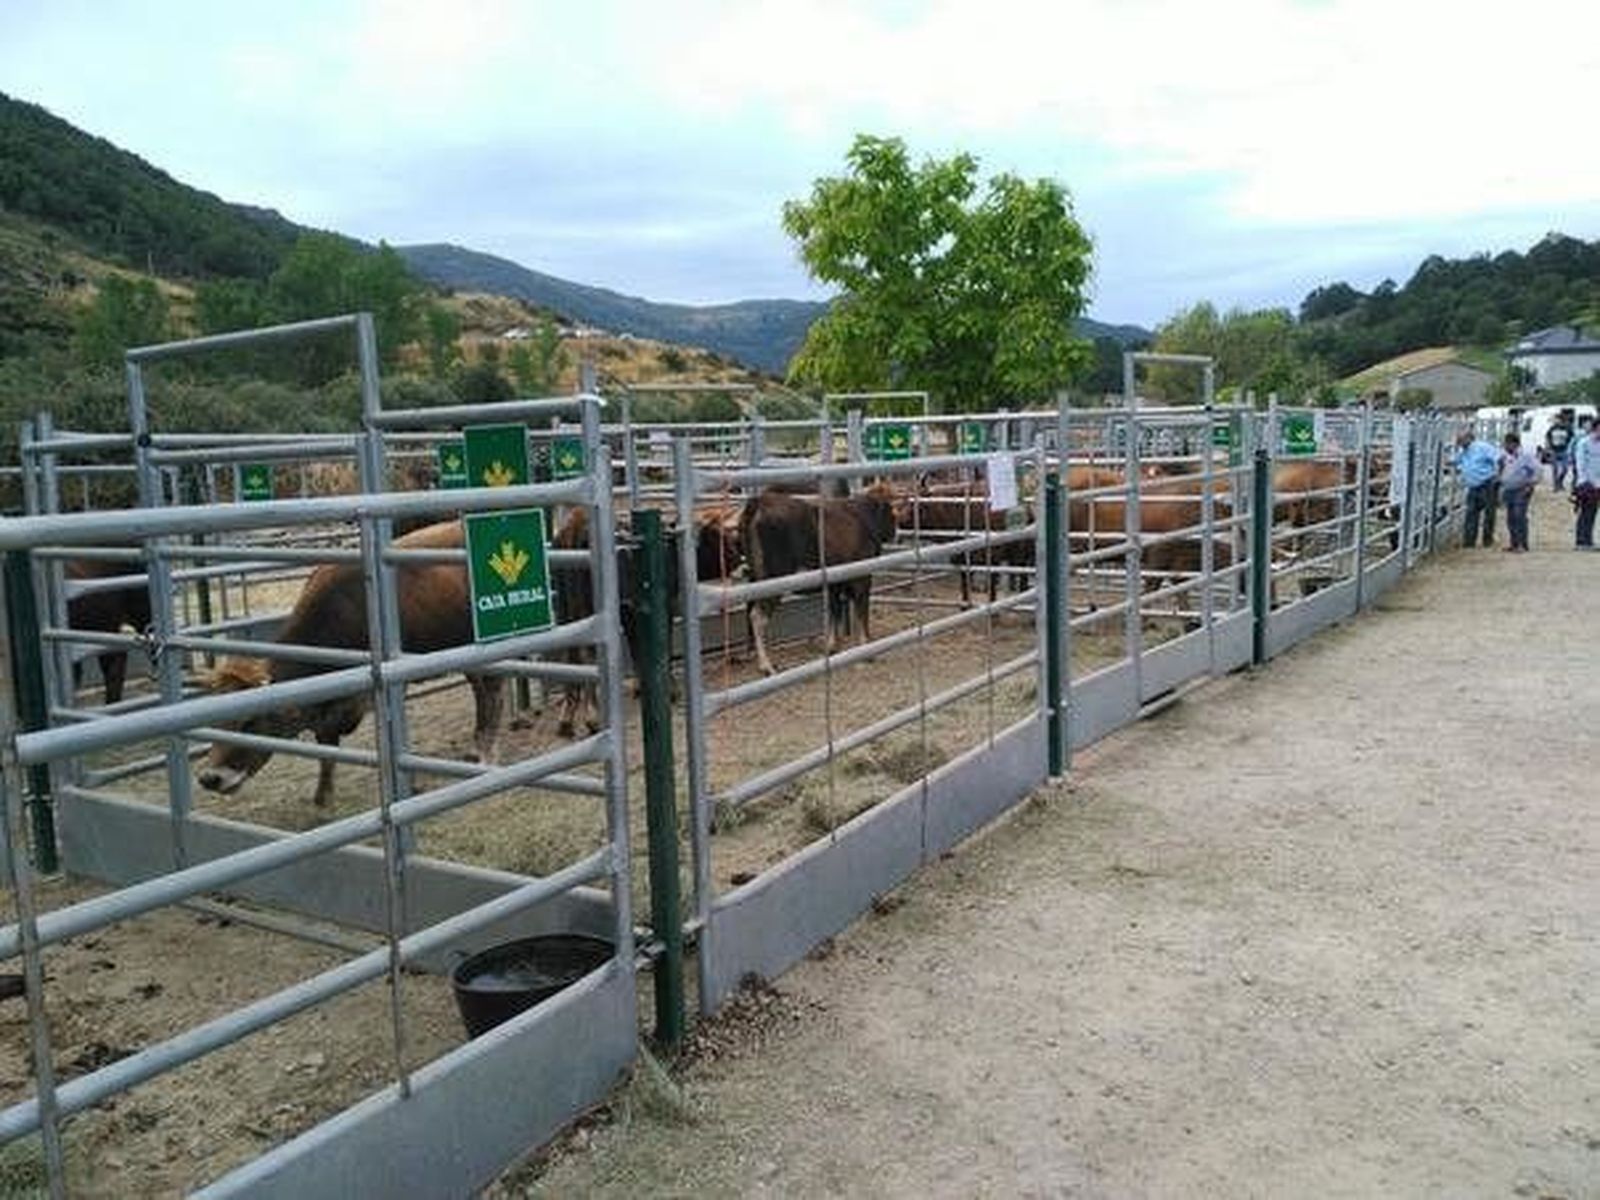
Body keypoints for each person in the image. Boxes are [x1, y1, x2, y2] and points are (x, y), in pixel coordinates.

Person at [1452, 429, 1503, 547]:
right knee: (1471, 513)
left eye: (1461, 440)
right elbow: (1455, 461)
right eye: (1458, 440)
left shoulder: (1482, 447)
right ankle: (1469, 541)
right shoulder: (1464, 451)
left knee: (1488, 514)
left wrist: (1498, 476)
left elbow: (1499, 459)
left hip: (1487, 483)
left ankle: (1487, 540)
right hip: (1473, 486)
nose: (1459, 442)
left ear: (1469, 438)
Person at [1498, 432, 1539, 552]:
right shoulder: (1506, 456)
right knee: (1511, 517)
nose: (1505, 446)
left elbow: (1537, 470)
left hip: (1522, 488)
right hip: (1509, 488)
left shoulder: (1526, 455)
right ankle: (1514, 543)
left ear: (1514, 444)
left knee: (1519, 515)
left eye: (1507, 444)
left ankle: (1522, 544)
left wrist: (1531, 484)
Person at [1574, 417, 1600, 550]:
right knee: (1585, 512)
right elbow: (1580, 464)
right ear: (1597, 427)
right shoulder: (1584, 443)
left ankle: (1588, 540)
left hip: (1598, 484)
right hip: (1586, 484)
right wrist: (1584, 482)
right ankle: (1581, 542)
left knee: (1592, 512)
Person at [1545, 411, 1575, 492]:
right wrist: (1548, 448)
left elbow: (1572, 438)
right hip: (1554, 450)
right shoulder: (1552, 429)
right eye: (1556, 420)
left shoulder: (1567, 429)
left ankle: (1560, 481)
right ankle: (1556, 486)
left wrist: (1570, 448)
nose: (1557, 421)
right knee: (1555, 469)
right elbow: (1547, 437)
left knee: (1565, 468)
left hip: (1564, 450)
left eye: (1558, 420)